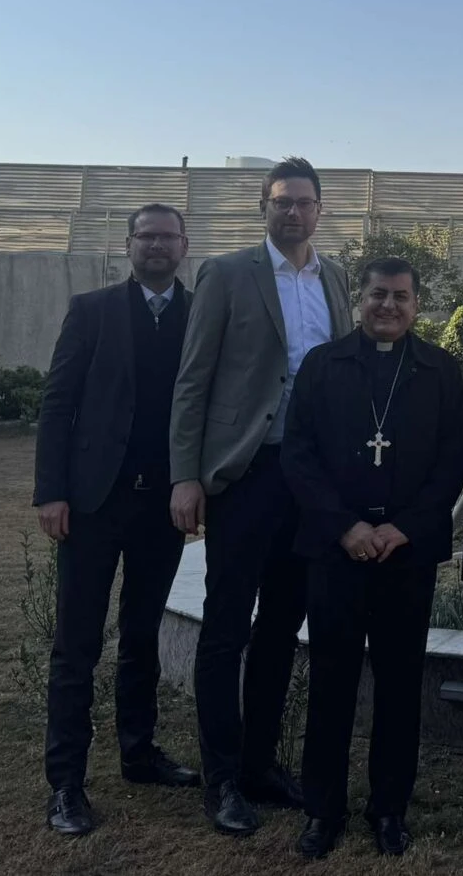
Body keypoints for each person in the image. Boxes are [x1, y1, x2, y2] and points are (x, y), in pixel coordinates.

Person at [168, 156, 352, 836]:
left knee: (280, 627)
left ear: (319, 210)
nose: (293, 211)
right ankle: (219, 780)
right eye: (281, 201)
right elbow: (194, 380)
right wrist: (185, 474)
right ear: (263, 207)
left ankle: (257, 763)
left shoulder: (334, 277)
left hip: (312, 479)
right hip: (246, 473)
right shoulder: (228, 273)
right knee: (225, 629)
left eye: (304, 202)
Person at [280, 257, 463, 859]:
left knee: (398, 686)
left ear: (417, 306)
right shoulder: (323, 365)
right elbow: (299, 455)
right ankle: (323, 810)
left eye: (401, 297)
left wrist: (404, 530)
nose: (388, 306)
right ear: (358, 300)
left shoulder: (440, 370)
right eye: (377, 295)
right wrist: (346, 527)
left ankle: (389, 808)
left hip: (404, 556)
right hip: (338, 553)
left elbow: (452, 462)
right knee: (331, 682)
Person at [33, 204, 198, 836]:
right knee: (76, 645)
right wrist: (51, 492)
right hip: (93, 504)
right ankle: (66, 784)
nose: (157, 246)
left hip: (164, 506)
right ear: (128, 244)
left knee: (141, 635)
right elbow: (58, 405)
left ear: (185, 246)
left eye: (167, 237)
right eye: (146, 236)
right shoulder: (92, 310)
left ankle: (138, 752)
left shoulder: (198, 316)